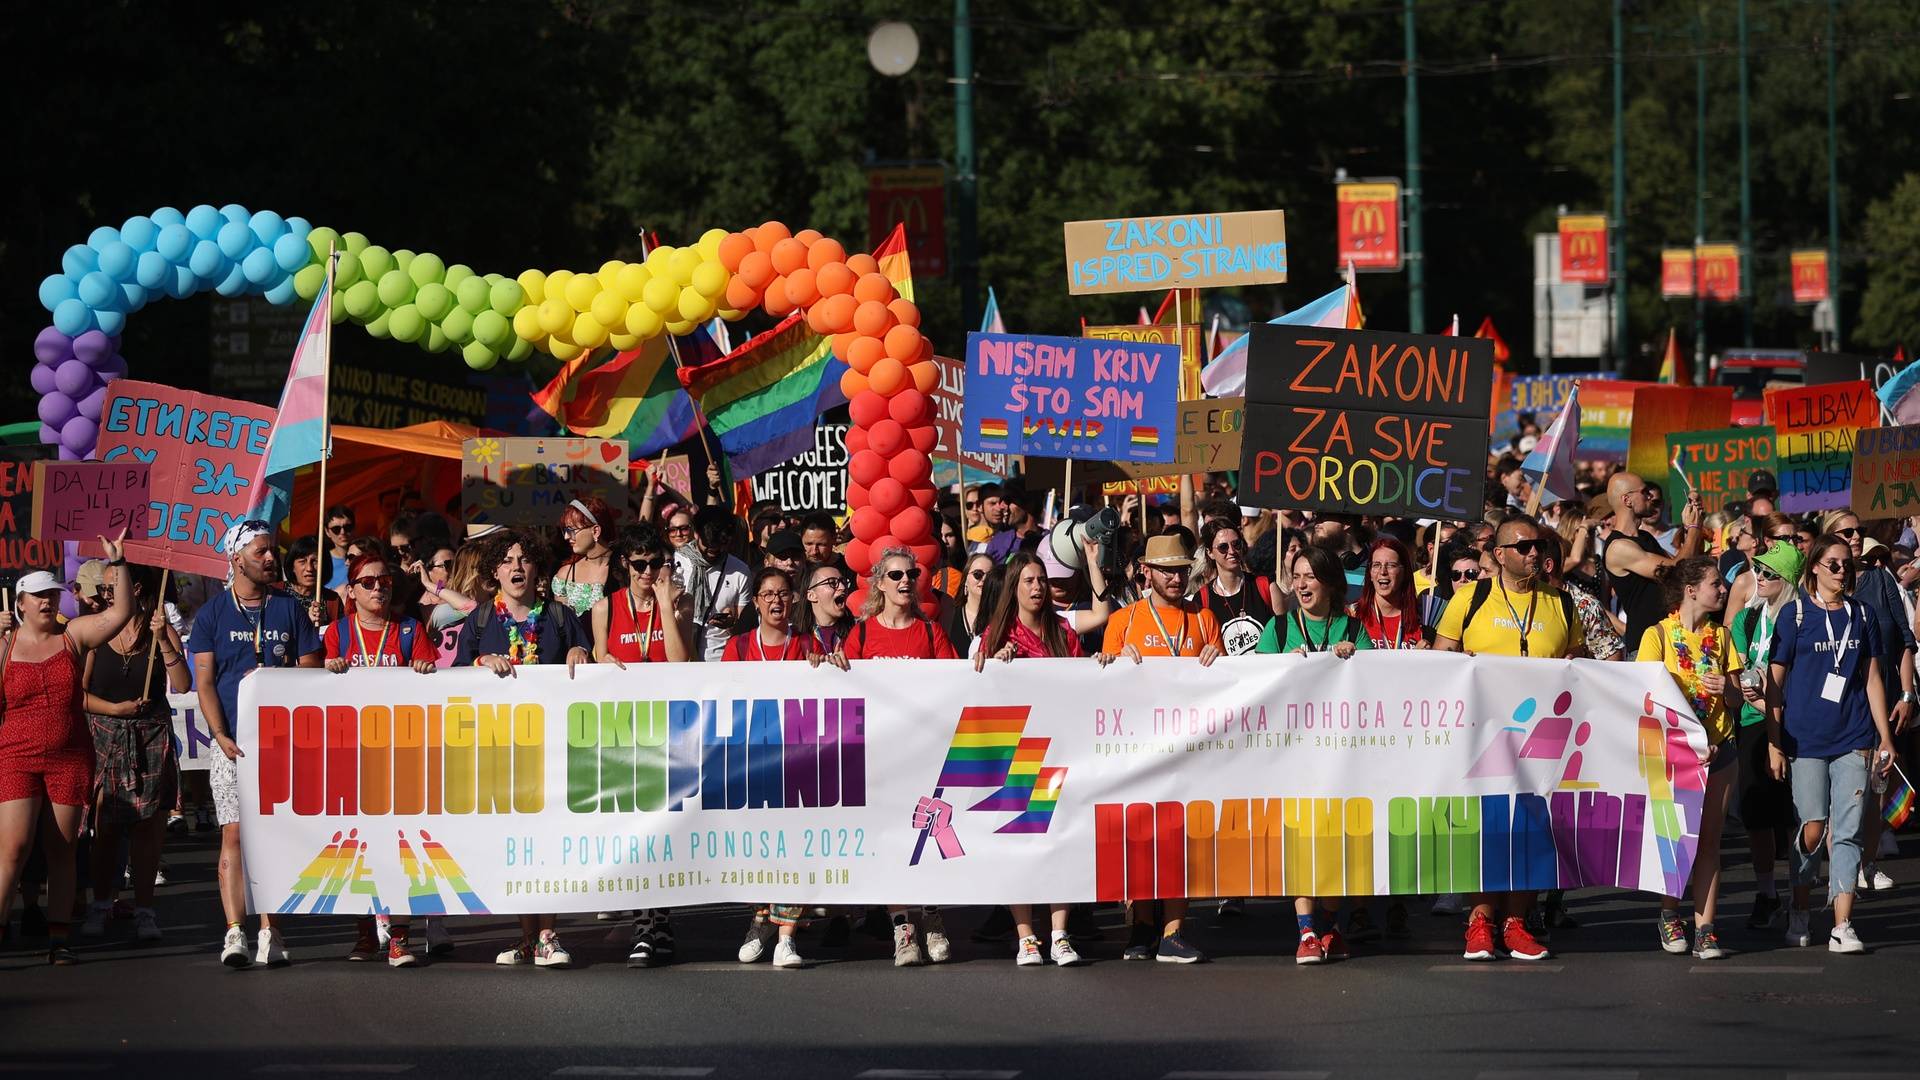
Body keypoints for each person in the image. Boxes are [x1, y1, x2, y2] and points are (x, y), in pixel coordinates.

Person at [1432, 515, 1583, 963]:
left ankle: (1516, 923)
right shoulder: (1470, 598)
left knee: (1534, 830)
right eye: (1523, 547)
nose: (1534, 553)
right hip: (1484, 736)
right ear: (1498, 555)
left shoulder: (1561, 602)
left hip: (1542, 739)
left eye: (1538, 545)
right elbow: (1441, 659)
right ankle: (1480, 922)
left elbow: (1579, 659)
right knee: (1489, 830)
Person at [455, 529, 594, 968]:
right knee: (516, 843)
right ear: (495, 571)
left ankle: (549, 933)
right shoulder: (480, 620)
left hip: (552, 748)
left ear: (537, 570)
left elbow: (585, 651)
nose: (517, 567)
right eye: (508, 560)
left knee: (548, 838)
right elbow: (454, 678)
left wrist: (578, 650)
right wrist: (479, 662)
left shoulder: (558, 615)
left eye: (525, 560)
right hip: (500, 748)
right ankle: (527, 937)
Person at [192, 520, 324, 969]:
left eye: (273, 550)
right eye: (260, 552)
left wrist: (279, 680)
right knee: (233, 833)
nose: (271, 558)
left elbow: (311, 672)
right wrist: (220, 734)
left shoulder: (289, 608)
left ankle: (272, 929)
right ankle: (234, 932)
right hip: (233, 744)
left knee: (273, 836)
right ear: (236, 559)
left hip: (281, 745)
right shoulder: (212, 614)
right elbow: (205, 681)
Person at [0, 537, 135, 965]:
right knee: (14, 847)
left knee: (62, 848)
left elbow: (121, 614)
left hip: (69, 756)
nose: (47, 601)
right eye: (38, 595)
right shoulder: (3, 644)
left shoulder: (72, 636)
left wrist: (119, 561)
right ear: (20, 602)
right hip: (15, 755)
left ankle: (60, 938)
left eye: (52, 594)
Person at [821, 548, 957, 967]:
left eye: (911, 574)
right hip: (879, 757)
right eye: (895, 574)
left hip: (921, 753)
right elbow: (843, 690)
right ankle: (903, 929)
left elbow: (957, 683)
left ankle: (932, 917)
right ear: (879, 583)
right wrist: (832, 663)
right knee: (892, 842)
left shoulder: (930, 631)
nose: (904, 581)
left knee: (926, 838)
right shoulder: (860, 636)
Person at [1767, 533, 1898, 954]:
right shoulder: (1795, 615)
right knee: (1813, 825)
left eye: (1848, 564)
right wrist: (1774, 741)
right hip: (1805, 740)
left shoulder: (1862, 614)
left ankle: (1843, 925)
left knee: (1849, 831)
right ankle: (1800, 902)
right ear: (1815, 568)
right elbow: (1774, 683)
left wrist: (1885, 737)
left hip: (1854, 737)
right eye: (1834, 564)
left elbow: (1872, 678)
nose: (1843, 571)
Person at [1096, 532, 1222, 964]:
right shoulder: (1124, 621)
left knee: (1181, 840)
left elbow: (1230, 687)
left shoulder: (1205, 619)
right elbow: (1102, 680)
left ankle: (1173, 931)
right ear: (1146, 573)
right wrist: (1113, 662)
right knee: (1140, 839)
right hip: (1139, 748)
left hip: (1189, 748)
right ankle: (1143, 924)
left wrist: (1217, 659)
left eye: (1182, 569)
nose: (1175, 577)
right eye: (1166, 570)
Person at [971, 551, 1089, 967]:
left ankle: (1059, 935)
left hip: (1060, 753)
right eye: (1028, 581)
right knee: (1019, 844)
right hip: (1017, 755)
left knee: (1062, 843)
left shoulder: (1065, 634)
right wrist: (997, 666)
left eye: (1041, 580)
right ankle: (1026, 937)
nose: (1037, 587)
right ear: (1013, 589)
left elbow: (1085, 687)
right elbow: (978, 688)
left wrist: (1103, 666)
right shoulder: (996, 636)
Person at [322, 549, 439, 967]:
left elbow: (432, 688)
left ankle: (400, 938)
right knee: (359, 849)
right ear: (351, 590)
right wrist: (328, 669)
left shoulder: (409, 629)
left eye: (384, 582)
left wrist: (425, 673)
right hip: (354, 758)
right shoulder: (339, 632)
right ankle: (365, 934)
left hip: (403, 756)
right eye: (367, 583)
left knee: (402, 849)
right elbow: (317, 693)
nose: (377, 588)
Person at [1257, 543, 1369, 965]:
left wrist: (1352, 660)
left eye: (1311, 576)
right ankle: (1306, 931)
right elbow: (1256, 688)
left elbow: (1374, 684)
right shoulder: (1280, 628)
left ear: (1330, 583)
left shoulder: (1353, 629)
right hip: (1295, 756)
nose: (1302, 584)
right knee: (1302, 842)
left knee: (1340, 842)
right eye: (1297, 576)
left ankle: (1331, 925)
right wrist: (1281, 665)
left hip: (1341, 757)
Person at [1637, 556, 1742, 960]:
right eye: (1716, 583)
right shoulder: (1657, 635)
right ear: (1691, 589)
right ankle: (1669, 914)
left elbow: (1737, 699)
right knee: (1677, 838)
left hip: (1721, 749)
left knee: (1711, 842)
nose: (1723, 589)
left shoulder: (1723, 636)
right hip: (1677, 753)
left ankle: (1706, 928)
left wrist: (1726, 690)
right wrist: (1690, 739)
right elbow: (1647, 698)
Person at [78, 564, 189, 945]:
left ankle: (145, 910)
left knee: (148, 831)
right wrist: (115, 711)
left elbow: (183, 682)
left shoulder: (159, 626)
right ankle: (102, 904)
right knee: (105, 829)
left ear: (134, 587)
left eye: (112, 589)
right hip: (107, 737)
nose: (106, 596)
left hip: (151, 736)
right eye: (105, 590)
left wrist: (164, 640)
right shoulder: (94, 632)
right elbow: (78, 694)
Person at [1823, 510, 1917, 892]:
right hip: (1837, 704)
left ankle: (1867, 862)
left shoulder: (1880, 579)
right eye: (1847, 532)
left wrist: (1908, 694)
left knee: (1876, 789)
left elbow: (1905, 641)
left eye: (1859, 530)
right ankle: (1841, 873)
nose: (1857, 536)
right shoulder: (1819, 587)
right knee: (1841, 793)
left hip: (1883, 698)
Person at [727, 567, 815, 970]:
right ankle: (761, 919)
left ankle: (786, 938)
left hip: (796, 761)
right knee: (760, 850)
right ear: (756, 602)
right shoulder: (738, 646)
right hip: (752, 761)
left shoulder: (807, 644)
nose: (776, 601)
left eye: (783, 593)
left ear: (793, 600)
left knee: (793, 848)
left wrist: (826, 665)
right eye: (768, 594)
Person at [1730, 541, 1802, 932]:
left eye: (1769, 573)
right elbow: (1742, 679)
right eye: (1757, 568)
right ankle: (1767, 893)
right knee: (1758, 812)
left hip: (1798, 724)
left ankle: (1798, 892)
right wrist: (1764, 706)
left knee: (1796, 813)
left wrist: (1784, 713)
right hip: (1754, 721)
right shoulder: (1747, 620)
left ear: (1788, 581)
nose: (1758, 577)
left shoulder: (1804, 619)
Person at [1603, 473, 1705, 656]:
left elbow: (1686, 565)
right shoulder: (1618, 547)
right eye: (1644, 492)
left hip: (1671, 639)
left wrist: (1692, 523)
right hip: (1646, 646)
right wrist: (1694, 529)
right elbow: (1676, 569)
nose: (1650, 496)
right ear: (1627, 500)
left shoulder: (1645, 538)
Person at [592, 523, 693, 667]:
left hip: (666, 688)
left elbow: (679, 662)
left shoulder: (682, 602)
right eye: (639, 565)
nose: (648, 571)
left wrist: (665, 606)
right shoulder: (604, 608)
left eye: (655, 563)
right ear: (625, 562)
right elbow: (602, 660)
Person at [1194, 519, 1273, 656]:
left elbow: (1285, 636)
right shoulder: (1201, 599)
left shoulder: (1266, 586)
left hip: (1267, 675)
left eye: (1236, 544)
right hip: (1227, 676)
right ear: (1210, 553)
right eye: (1223, 547)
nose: (1232, 551)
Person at [691, 507, 750, 662]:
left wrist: (732, 622)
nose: (713, 550)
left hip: (722, 660)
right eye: (708, 544)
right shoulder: (676, 564)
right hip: (683, 660)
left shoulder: (740, 571)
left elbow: (744, 628)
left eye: (720, 546)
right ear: (696, 533)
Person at [1352, 536, 1422, 651]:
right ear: (1369, 573)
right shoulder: (1352, 614)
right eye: (1376, 565)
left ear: (1404, 572)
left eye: (1391, 565)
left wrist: (1427, 655)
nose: (1383, 572)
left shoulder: (1422, 618)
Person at [550, 497, 615, 618]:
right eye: (565, 530)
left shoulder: (624, 566)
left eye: (571, 530)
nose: (566, 536)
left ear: (595, 531)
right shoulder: (565, 576)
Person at [941, 552, 997, 658]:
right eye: (977, 574)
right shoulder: (949, 614)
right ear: (965, 580)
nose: (984, 579)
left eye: (990, 576)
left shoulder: (1000, 617)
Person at [796, 561, 856, 656]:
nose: (842, 587)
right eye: (832, 583)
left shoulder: (858, 631)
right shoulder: (794, 637)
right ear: (811, 595)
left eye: (843, 582)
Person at [323, 505, 355, 590]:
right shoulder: (322, 560)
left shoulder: (364, 555)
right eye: (336, 529)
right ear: (327, 531)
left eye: (347, 527)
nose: (342, 532)